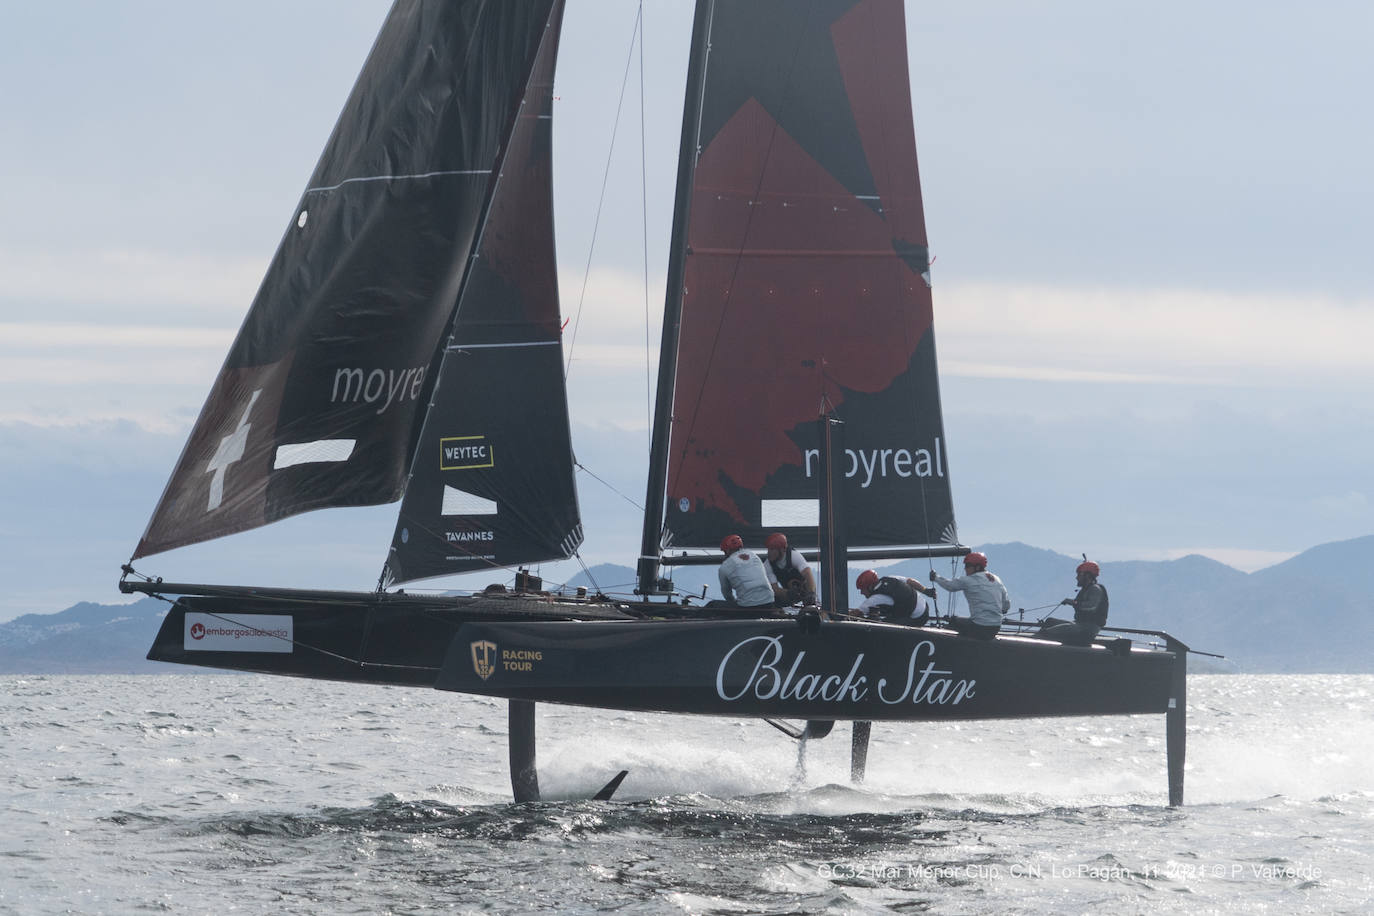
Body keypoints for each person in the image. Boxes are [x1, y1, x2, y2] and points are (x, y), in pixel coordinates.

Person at [929, 551, 1010, 640]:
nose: (965, 569)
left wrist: (935, 577)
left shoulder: (968, 580)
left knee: (953, 621)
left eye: (968, 566)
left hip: (979, 627)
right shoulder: (996, 579)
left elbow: (950, 586)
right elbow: (1006, 605)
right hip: (996, 627)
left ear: (977, 567)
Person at [1036, 560, 1109, 646]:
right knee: (1049, 621)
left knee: (1046, 632)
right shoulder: (1087, 589)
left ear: (1088, 576)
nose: (1076, 578)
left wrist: (1072, 602)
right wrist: (1073, 602)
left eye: (1079, 574)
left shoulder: (1095, 589)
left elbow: (1091, 607)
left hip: (1088, 629)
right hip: (1079, 624)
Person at [715, 534, 775, 610]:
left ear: (727, 550)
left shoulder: (724, 566)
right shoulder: (754, 556)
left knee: (712, 605)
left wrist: (733, 602)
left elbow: (727, 594)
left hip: (748, 608)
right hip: (769, 603)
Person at [854, 569, 932, 627]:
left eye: (862, 589)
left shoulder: (875, 598)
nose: (861, 593)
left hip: (917, 619)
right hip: (925, 606)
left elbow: (856, 613)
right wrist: (926, 591)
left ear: (870, 587)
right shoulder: (891, 578)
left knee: (880, 626)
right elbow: (910, 581)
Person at [763, 533, 817, 606]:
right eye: (768, 549)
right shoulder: (767, 565)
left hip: (805, 591)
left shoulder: (794, 556)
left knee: (810, 599)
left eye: (772, 549)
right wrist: (788, 593)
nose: (769, 553)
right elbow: (774, 589)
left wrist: (811, 593)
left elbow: (808, 574)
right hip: (788, 594)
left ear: (782, 549)